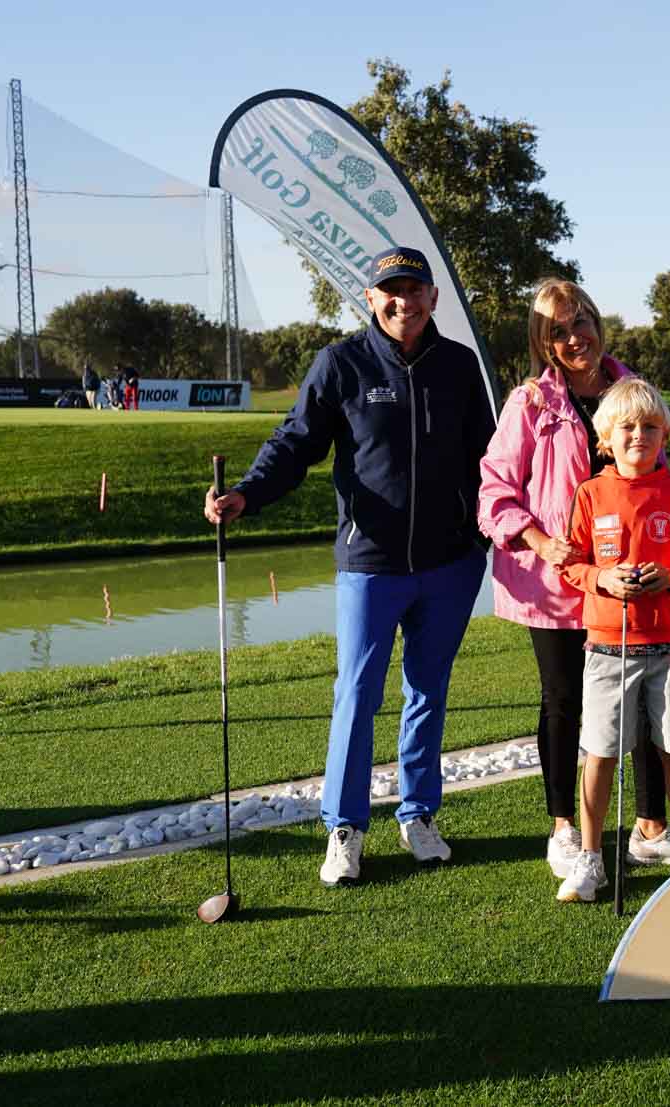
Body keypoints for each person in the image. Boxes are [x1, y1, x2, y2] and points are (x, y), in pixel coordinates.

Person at [203, 246, 493, 886]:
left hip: (450, 562)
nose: (403, 301)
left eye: (414, 289)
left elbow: (489, 460)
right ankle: (345, 828)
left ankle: (418, 815)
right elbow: (296, 441)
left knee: (427, 693)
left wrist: (491, 534)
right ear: (370, 298)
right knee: (356, 695)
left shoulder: (459, 366)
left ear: (432, 297)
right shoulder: (342, 364)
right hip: (371, 561)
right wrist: (247, 492)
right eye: (390, 290)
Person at [477, 278, 670, 883]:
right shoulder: (530, 403)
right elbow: (495, 490)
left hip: (629, 575)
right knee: (564, 701)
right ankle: (564, 826)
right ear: (543, 341)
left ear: (596, 321)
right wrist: (539, 541)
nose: (573, 337)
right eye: (557, 330)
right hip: (556, 579)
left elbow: (658, 469)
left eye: (580, 321)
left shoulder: (631, 389)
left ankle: (650, 826)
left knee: (640, 695)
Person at [555, 378, 670, 902]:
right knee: (598, 752)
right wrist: (603, 578)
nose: (638, 436)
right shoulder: (590, 492)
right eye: (627, 428)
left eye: (649, 427)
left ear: (664, 435)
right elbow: (573, 563)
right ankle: (591, 856)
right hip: (607, 644)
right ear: (605, 439)